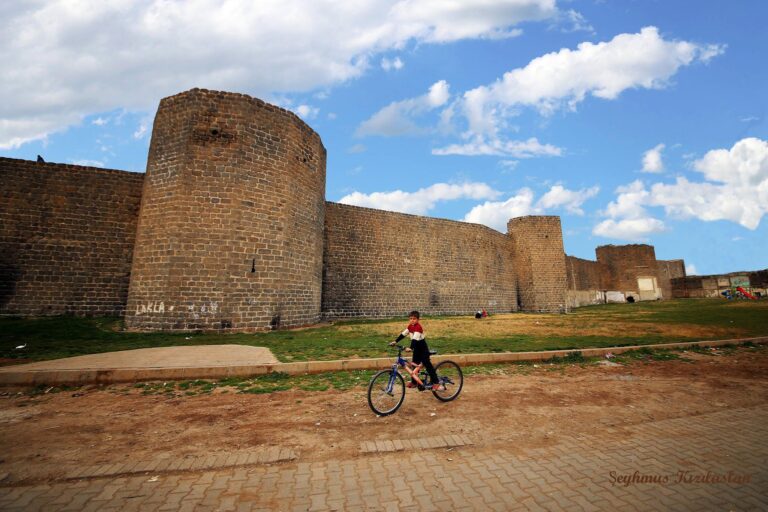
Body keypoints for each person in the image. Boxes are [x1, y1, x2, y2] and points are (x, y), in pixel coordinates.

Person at [389, 311, 444, 390]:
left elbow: (414, 339)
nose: (412, 320)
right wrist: (395, 341)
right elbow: (403, 334)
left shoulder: (418, 327)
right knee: (414, 365)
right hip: (417, 349)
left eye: (414, 319)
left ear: (418, 320)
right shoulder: (410, 326)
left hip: (423, 349)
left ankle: (436, 382)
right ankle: (414, 382)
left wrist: (411, 348)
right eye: (410, 319)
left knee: (427, 364)